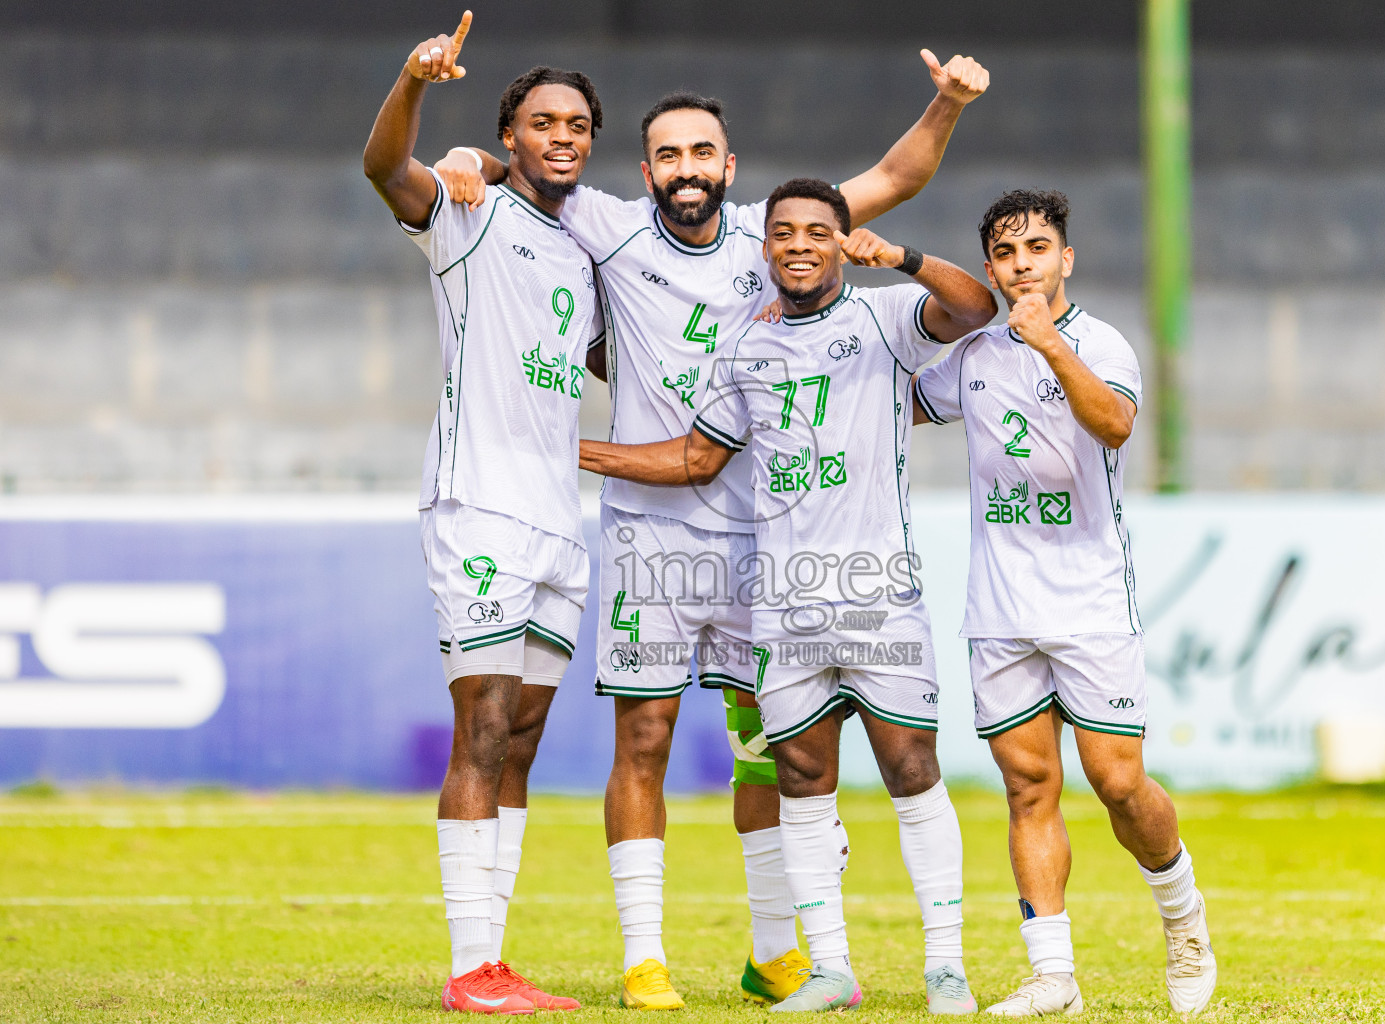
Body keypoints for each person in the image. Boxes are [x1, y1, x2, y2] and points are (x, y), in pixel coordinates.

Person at [434, 54, 990, 1010]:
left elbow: (891, 182)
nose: (684, 166)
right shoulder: (606, 227)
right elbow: (527, 167)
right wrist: (466, 158)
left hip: (756, 546)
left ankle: (775, 947)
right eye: (665, 154)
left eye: (701, 151)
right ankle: (644, 956)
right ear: (644, 170)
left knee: (767, 749)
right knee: (643, 740)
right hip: (651, 539)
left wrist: (946, 103)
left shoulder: (766, 238)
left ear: (729, 166)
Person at [578, 178, 996, 1014]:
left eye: (816, 230)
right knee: (800, 774)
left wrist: (905, 258)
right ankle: (830, 968)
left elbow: (975, 309)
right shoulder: (746, 350)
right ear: (763, 248)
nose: (798, 244)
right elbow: (697, 459)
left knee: (911, 766)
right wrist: (571, 451)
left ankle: (945, 964)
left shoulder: (883, 319)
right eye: (782, 233)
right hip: (782, 598)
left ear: (841, 242)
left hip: (876, 589)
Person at [910, 189, 1218, 1016]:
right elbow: (898, 404)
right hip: (999, 609)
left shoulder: (1103, 344)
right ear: (990, 270)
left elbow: (1113, 426)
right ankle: (1054, 975)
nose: (1024, 267)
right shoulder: (970, 355)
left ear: (1065, 259)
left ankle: (1183, 917)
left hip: (1088, 602)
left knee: (1118, 783)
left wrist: (1048, 347)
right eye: (1007, 255)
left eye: (1037, 249)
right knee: (1027, 787)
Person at [362, 12, 603, 1013]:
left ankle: (495, 960)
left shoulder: (587, 255)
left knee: (525, 737)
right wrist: (416, 87)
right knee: (484, 725)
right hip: (480, 510)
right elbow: (384, 168)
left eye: (579, 124)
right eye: (543, 120)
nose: (562, 135)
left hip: (561, 522)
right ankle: (470, 970)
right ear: (510, 137)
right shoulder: (468, 212)